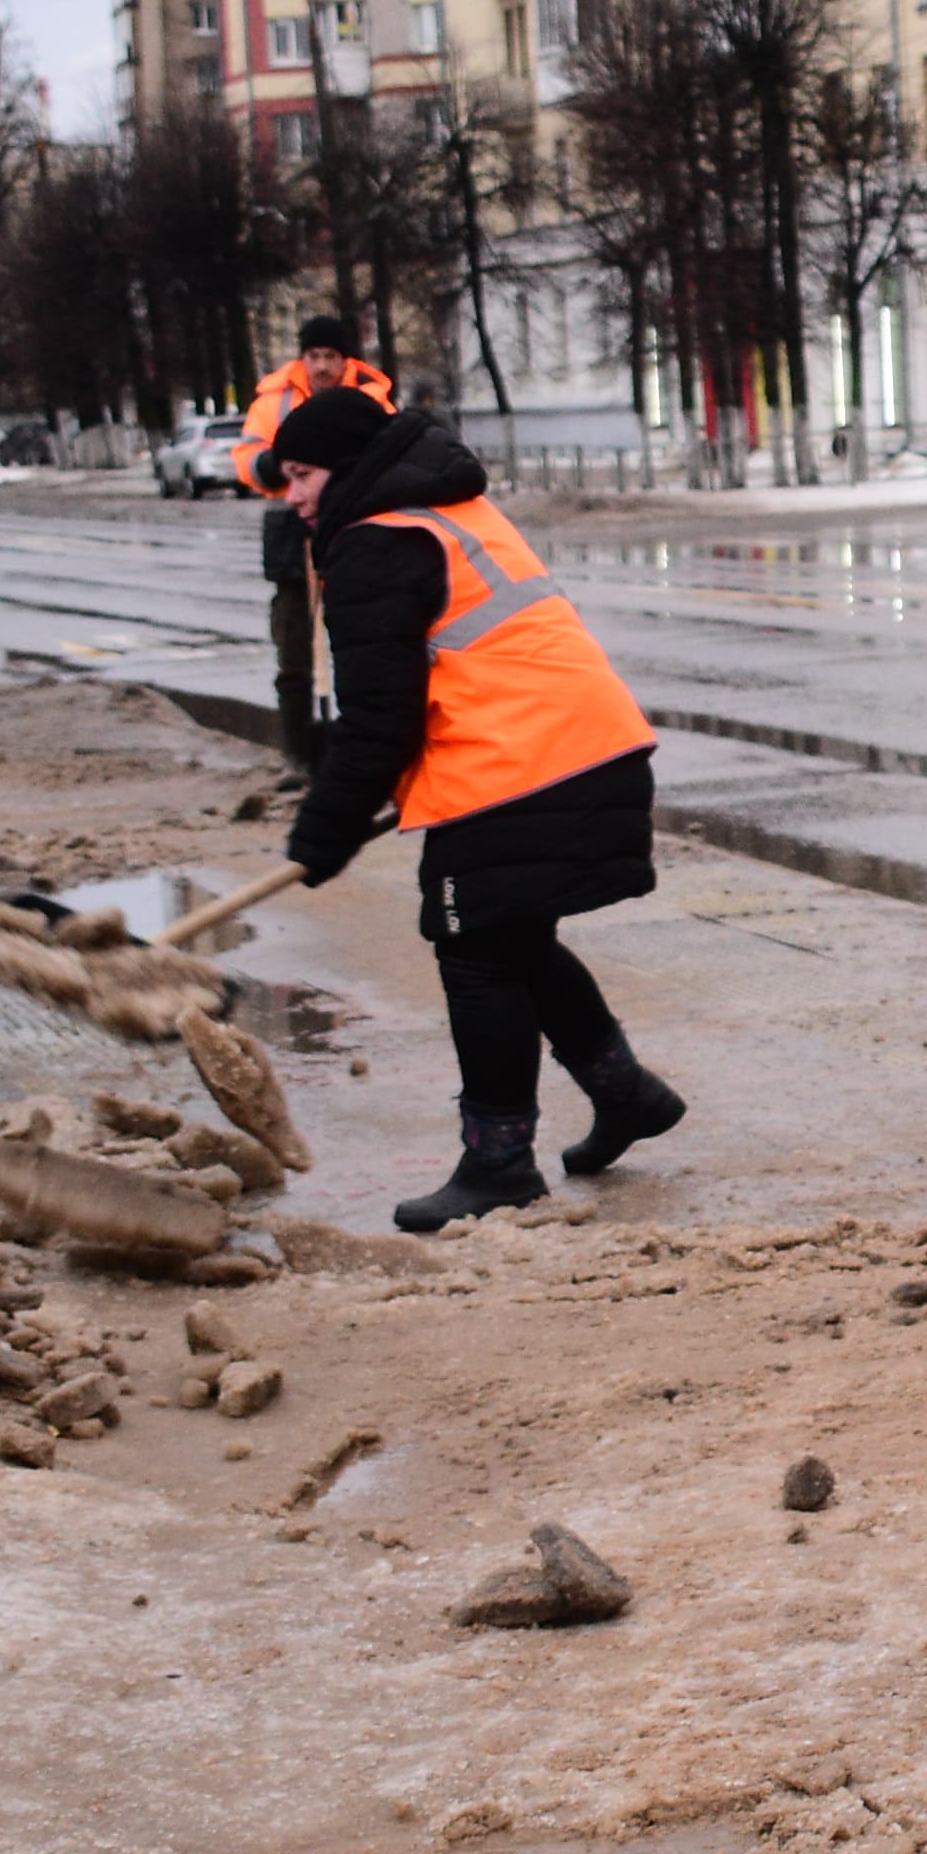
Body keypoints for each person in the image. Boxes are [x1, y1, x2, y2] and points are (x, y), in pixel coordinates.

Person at [264, 384, 688, 1230]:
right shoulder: (443, 511)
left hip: (520, 766)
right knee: (513, 937)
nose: (291, 495)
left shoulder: (374, 543)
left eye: (302, 474)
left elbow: (378, 719)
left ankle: (498, 1162)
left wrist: (323, 833)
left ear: (344, 468)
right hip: (582, 748)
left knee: (475, 951)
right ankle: (626, 1094)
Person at [234, 316, 390, 772]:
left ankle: (356, 746)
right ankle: (298, 755)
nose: (322, 366)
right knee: (294, 645)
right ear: (303, 357)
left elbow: (389, 448)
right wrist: (285, 468)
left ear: (346, 360)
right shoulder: (275, 399)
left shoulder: (369, 395)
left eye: (331, 357)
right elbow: (247, 459)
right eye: (315, 356)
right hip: (290, 533)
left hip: (351, 527)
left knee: (359, 639)